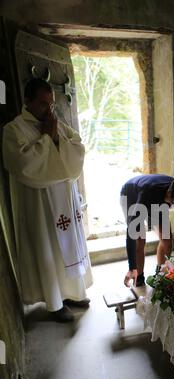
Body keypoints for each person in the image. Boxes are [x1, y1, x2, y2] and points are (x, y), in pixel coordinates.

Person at [2, 78, 93, 322]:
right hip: (40, 205)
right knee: (48, 249)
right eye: (43, 104)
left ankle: (73, 292)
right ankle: (55, 303)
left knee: (69, 245)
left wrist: (54, 139)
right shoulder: (13, 129)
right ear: (27, 101)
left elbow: (77, 147)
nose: (48, 109)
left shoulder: (54, 123)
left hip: (65, 197)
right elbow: (21, 165)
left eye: (51, 104)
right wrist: (46, 139)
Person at [120, 174, 174, 287]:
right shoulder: (148, 194)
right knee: (139, 239)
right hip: (130, 195)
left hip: (158, 201)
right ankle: (139, 277)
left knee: (167, 239)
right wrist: (132, 267)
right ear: (171, 195)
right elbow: (131, 231)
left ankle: (160, 275)